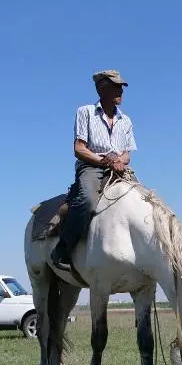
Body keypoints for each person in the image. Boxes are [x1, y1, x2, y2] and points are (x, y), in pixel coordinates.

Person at [50, 70, 137, 272]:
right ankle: (63, 249)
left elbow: (127, 154)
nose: (120, 90)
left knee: (145, 202)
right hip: (92, 166)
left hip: (119, 169)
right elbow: (79, 148)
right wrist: (103, 160)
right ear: (101, 88)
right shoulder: (86, 112)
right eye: (116, 86)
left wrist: (119, 161)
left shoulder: (126, 120)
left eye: (121, 87)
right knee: (87, 200)